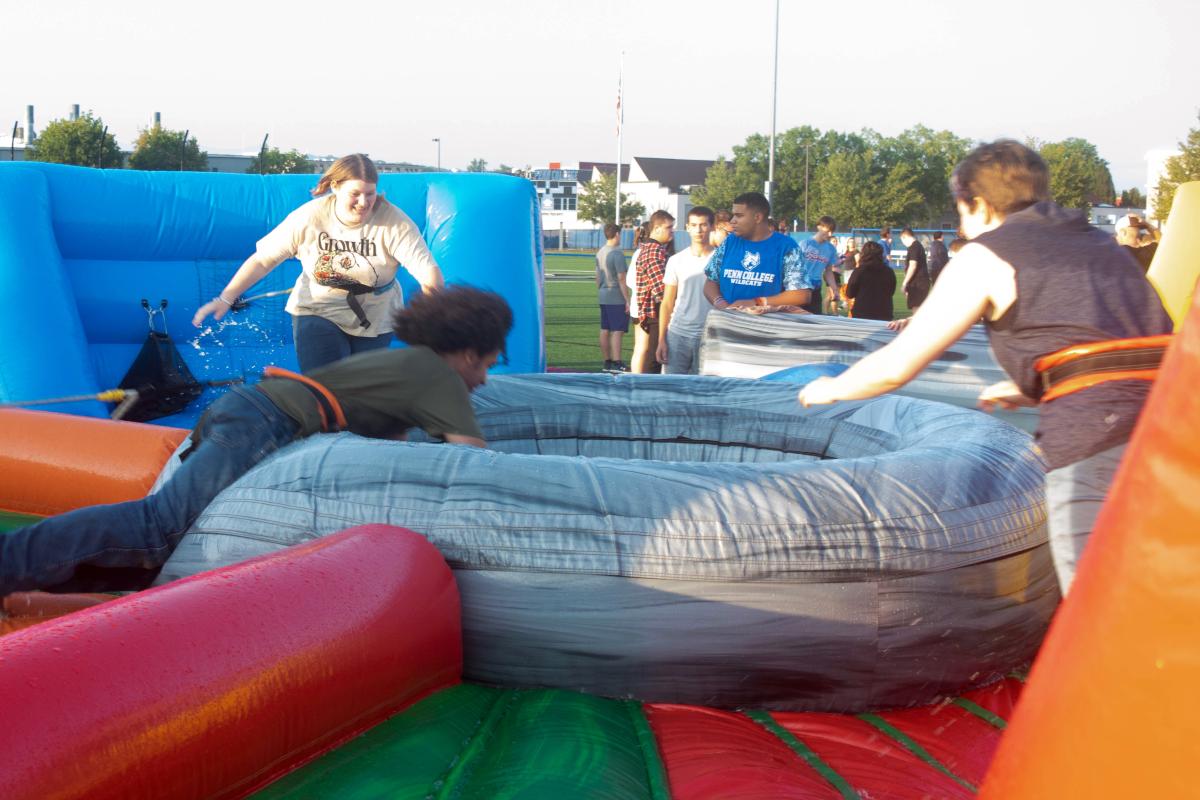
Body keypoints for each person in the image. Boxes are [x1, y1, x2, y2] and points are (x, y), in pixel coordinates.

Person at [798, 140, 1173, 595]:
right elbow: (1118, 341)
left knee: (1099, 604)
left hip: (1097, 433)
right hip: (1175, 418)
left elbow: (898, 364)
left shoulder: (988, 254)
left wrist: (830, 388)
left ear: (973, 203)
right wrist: (1036, 384)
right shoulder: (1100, 243)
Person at [1, 286, 513, 596]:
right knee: (156, 529)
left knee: (170, 551)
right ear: (466, 352)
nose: (485, 381)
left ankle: (30, 577)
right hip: (265, 421)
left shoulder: (406, 370)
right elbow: (474, 463)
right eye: (487, 365)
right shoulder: (437, 376)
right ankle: (8, 562)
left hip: (255, 413)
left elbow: (392, 454)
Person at [193, 154, 445, 372]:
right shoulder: (310, 217)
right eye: (354, 194)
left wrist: (430, 317)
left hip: (375, 315)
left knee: (362, 394)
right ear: (335, 187)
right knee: (328, 387)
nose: (363, 202)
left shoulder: (393, 222)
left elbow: (428, 272)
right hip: (317, 308)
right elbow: (263, 259)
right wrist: (226, 297)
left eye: (370, 194)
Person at [703, 192, 808, 312]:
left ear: (757, 217)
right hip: (727, 324)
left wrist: (757, 302)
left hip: (767, 327)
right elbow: (710, 282)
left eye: (739, 215)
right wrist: (722, 305)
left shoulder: (787, 247)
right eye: (733, 215)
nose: (732, 221)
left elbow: (802, 294)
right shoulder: (729, 242)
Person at [656, 206, 714, 374]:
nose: (698, 230)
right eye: (694, 225)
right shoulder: (676, 260)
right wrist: (661, 340)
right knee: (670, 388)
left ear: (711, 227)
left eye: (703, 225)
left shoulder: (721, 261)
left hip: (708, 336)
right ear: (687, 227)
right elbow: (667, 303)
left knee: (702, 389)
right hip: (677, 333)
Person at [632, 211, 675, 373]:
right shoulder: (654, 251)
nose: (672, 231)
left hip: (651, 312)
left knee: (652, 355)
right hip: (656, 313)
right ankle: (647, 393)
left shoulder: (650, 249)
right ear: (656, 228)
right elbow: (661, 291)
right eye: (668, 227)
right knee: (655, 359)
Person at [595, 223, 630, 372]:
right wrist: (627, 299)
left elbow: (597, 277)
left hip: (603, 294)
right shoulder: (617, 253)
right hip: (615, 295)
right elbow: (622, 278)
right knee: (617, 330)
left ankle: (607, 361)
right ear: (616, 234)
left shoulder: (600, 252)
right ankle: (617, 361)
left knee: (605, 328)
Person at [796, 216, 840, 315]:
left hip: (816, 288)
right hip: (800, 287)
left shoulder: (830, 249)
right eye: (828, 230)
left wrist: (834, 289)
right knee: (797, 317)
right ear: (819, 227)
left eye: (832, 232)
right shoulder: (805, 244)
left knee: (814, 318)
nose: (830, 234)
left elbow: (828, 271)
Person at [843, 240, 896, 321]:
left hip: (862, 314)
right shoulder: (889, 272)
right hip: (884, 314)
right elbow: (891, 292)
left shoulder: (859, 271)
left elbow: (850, 293)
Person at [899, 227, 930, 310]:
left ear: (904, 237)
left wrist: (904, 283)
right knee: (918, 309)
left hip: (918, 284)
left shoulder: (914, 247)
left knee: (916, 309)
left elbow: (913, 265)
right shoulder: (917, 246)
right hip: (920, 282)